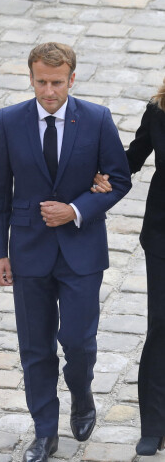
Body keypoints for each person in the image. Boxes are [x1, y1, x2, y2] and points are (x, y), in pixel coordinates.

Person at [0, 42, 132, 462]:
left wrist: (75, 209)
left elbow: (119, 179)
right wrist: (0, 252)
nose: (48, 91)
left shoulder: (97, 119)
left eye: (56, 82)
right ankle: (44, 433)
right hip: (28, 252)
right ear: (31, 78)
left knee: (79, 340)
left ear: (72, 79)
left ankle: (82, 392)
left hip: (82, 252)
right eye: (41, 82)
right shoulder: (11, 120)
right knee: (35, 348)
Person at [92, 87, 165, 456]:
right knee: (161, 327)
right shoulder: (159, 109)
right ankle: (154, 424)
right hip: (163, 236)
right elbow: (133, 158)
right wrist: (95, 174)